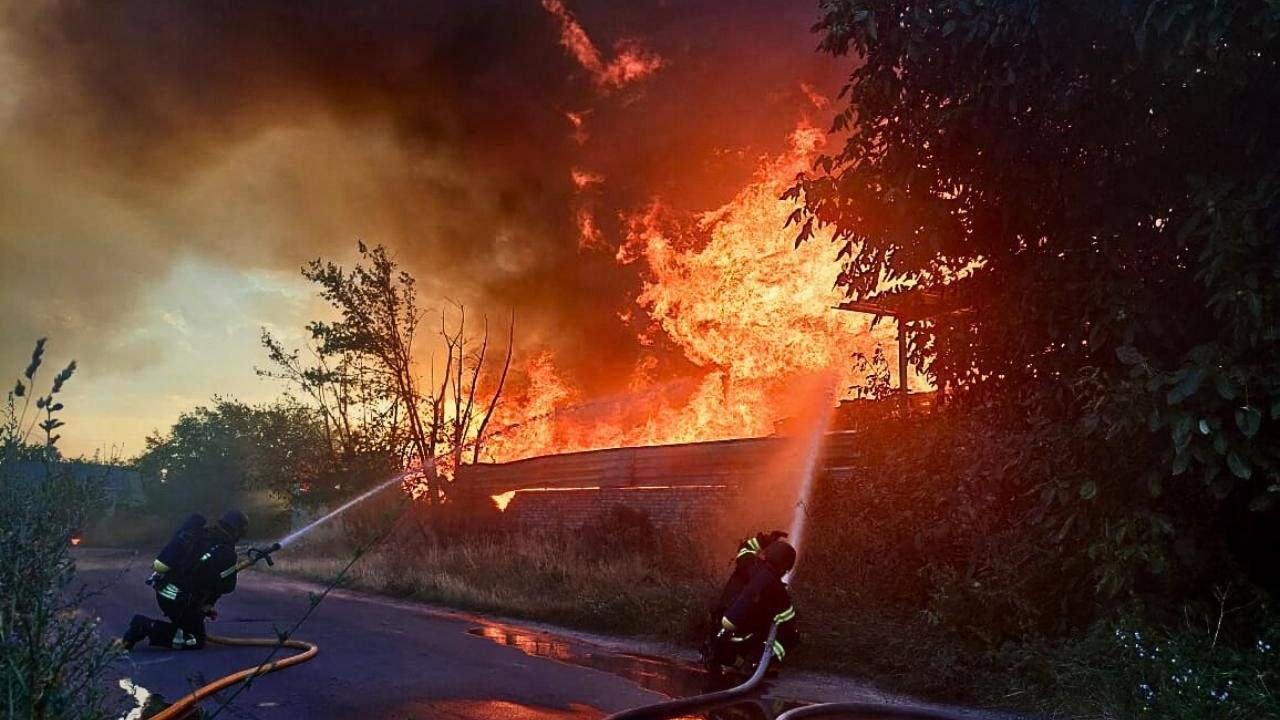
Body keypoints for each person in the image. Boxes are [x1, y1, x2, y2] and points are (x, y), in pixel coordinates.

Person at [119, 509, 249, 650]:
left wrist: (203, 606)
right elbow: (225, 586)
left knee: (191, 625)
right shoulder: (226, 551)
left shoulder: (201, 535)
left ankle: (173, 623)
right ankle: (145, 627)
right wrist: (205, 603)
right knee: (195, 639)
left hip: (165, 591)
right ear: (238, 530)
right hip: (179, 599)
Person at [702, 530, 798, 678]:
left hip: (719, 633)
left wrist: (765, 540)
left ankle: (711, 650)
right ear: (785, 569)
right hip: (744, 643)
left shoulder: (747, 562)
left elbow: (745, 547)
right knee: (790, 636)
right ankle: (756, 661)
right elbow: (787, 621)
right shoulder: (780, 595)